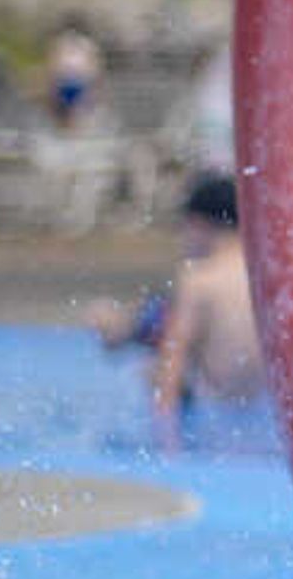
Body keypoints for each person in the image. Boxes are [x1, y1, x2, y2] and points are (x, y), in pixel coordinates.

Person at [90, 172, 263, 427]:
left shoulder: (200, 279)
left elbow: (171, 366)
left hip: (215, 413)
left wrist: (166, 439)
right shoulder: (272, 276)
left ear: (199, 225)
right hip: (263, 415)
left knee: (148, 368)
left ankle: (115, 325)